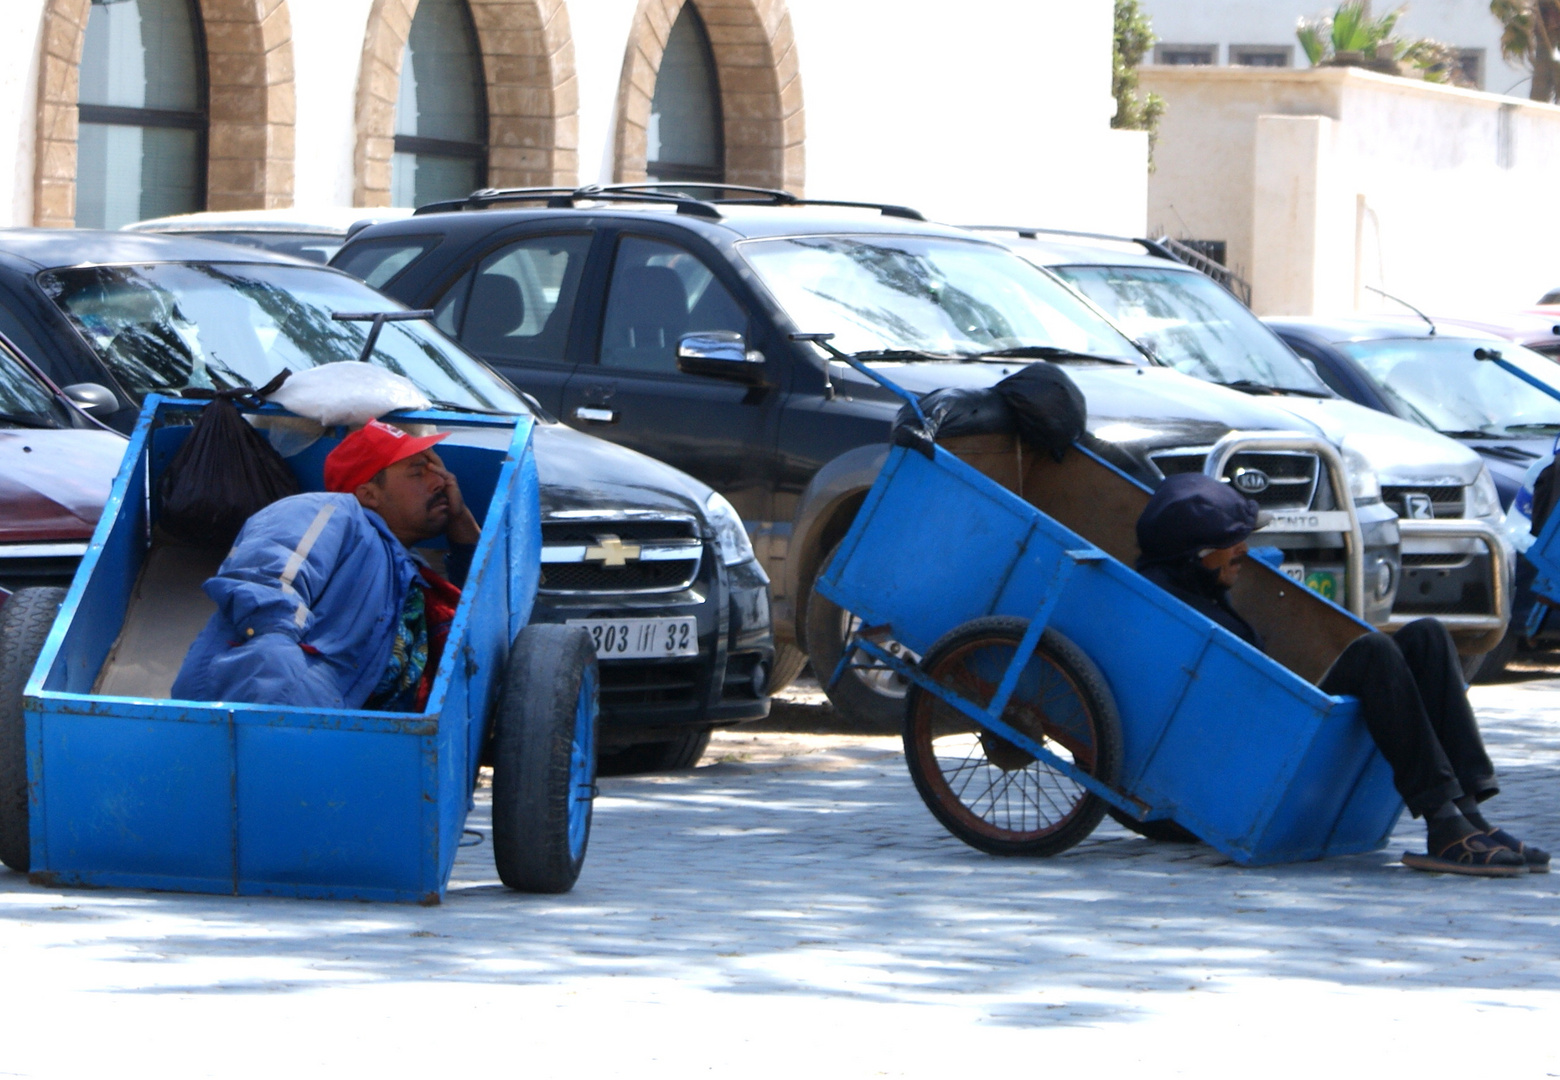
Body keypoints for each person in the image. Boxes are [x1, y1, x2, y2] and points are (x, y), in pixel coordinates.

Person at [1135, 472, 1548, 878]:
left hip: (1268, 710)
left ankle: (1469, 813)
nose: (1243, 551)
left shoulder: (1199, 580)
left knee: (1428, 635)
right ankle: (1441, 820)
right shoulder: (1168, 604)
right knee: (1373, 652)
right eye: (1231, 545)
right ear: (1194, 555)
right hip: (1261, 733)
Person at [172, 419, 480, 713]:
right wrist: (279, 662)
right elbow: (268, 575)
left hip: (345, 727)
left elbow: (480, 607)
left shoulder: (406, 569)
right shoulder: (330, 510)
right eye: (418, 472)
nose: (442, 480)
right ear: (368, 494)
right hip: (268, 706)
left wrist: (461, 517)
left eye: (438, 470)